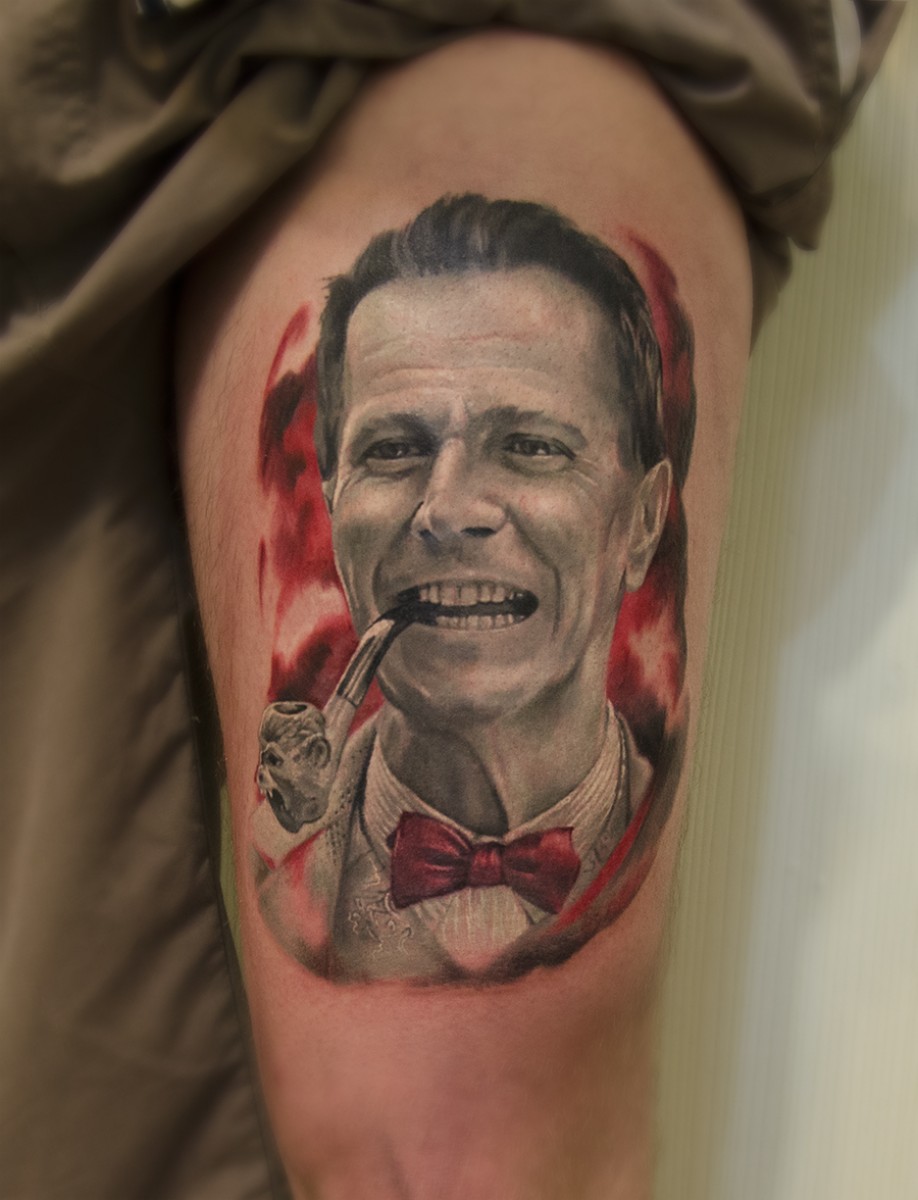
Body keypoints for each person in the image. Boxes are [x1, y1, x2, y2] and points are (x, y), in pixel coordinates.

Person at [251, 195, 674, 981]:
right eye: (393, 449)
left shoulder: (696, 852)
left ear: (643, 523)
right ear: (334, 503)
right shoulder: (269, 893)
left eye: (532, 446)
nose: (447, 510)